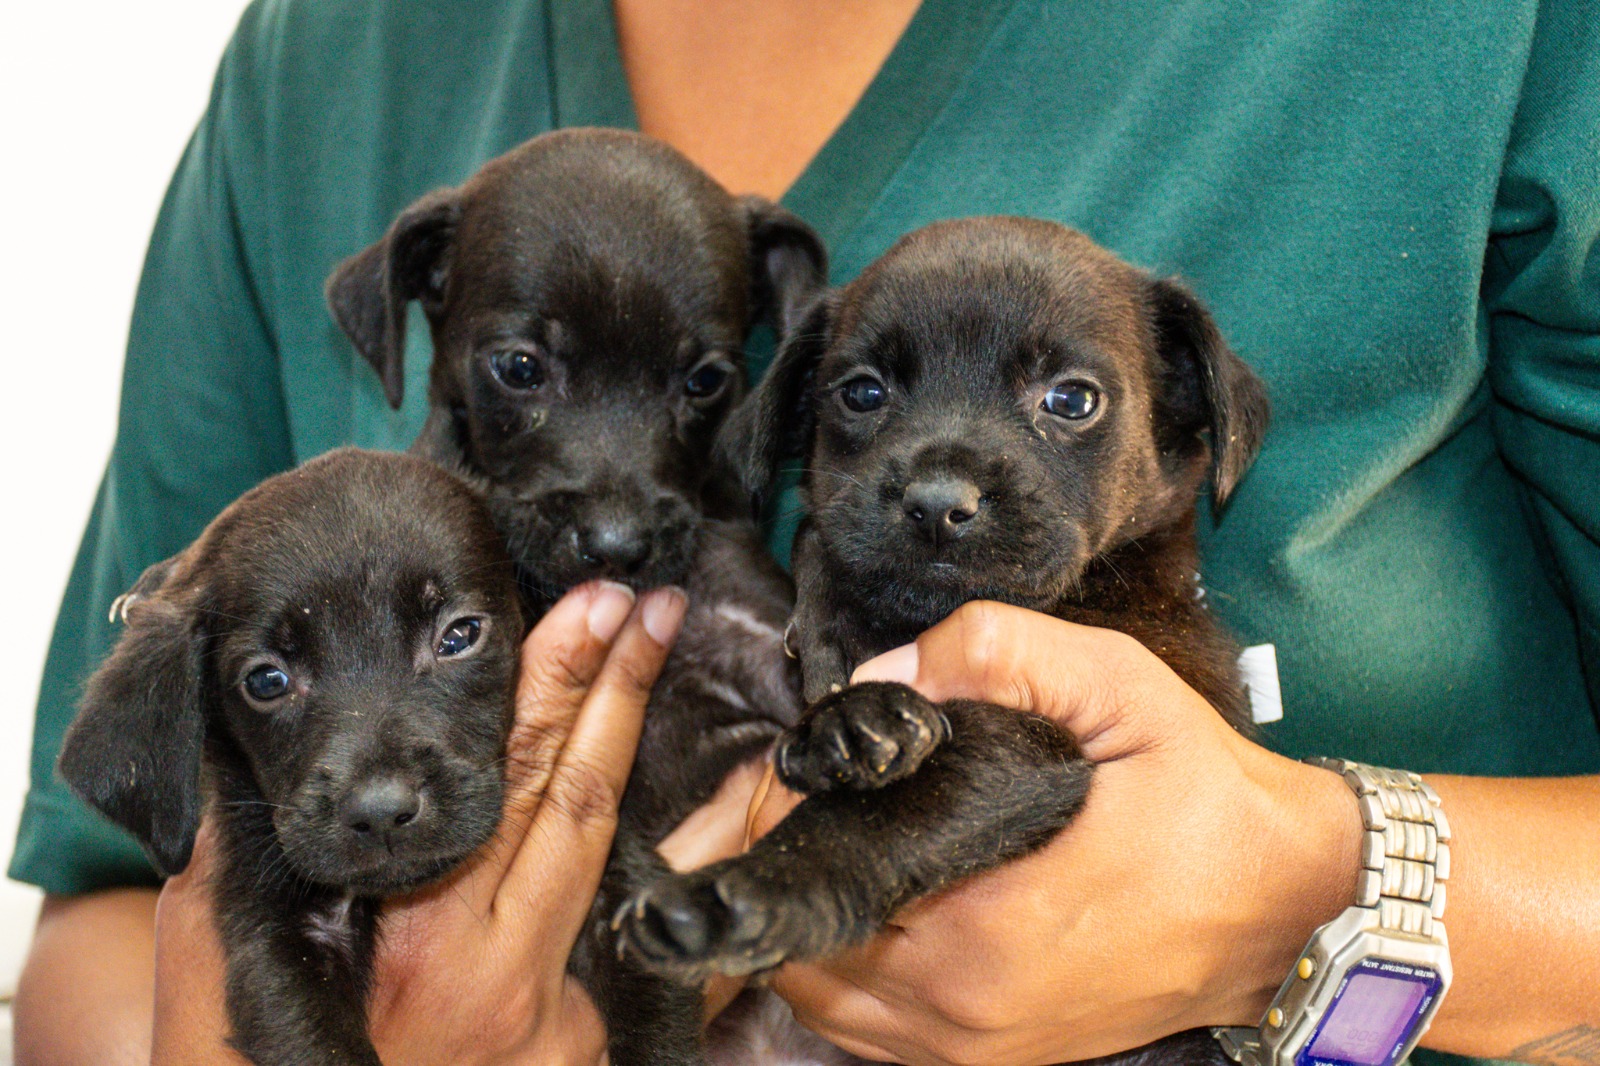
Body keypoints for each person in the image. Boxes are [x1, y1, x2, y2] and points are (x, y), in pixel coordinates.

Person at [12, 0, 1600, 1063]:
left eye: (702, 389)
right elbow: (96, 912)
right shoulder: (328, 59)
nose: (622, 493)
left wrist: (1324, 891)